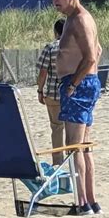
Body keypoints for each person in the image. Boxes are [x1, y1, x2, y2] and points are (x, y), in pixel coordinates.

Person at [51, 0, 102, 215]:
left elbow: (91, 56)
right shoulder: (78, 19)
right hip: (84, 84)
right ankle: (91, 200)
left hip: (77, 86)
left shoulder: (80, 19)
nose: (54, 0)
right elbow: (99, 50)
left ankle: (83, 202)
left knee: (75, 146)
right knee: (85, 146)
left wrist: (74, 84)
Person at [36, 18, 66, 165]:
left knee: (57, 127)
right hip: (73, 93)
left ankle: (58, 161)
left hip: (54, 93)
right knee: (74, 127)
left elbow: (43, 72)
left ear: (55, 32)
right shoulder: (76, 46)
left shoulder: (50, 47)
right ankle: (73, 158)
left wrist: (40, 91)